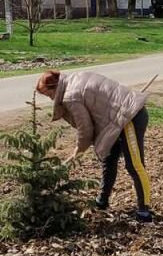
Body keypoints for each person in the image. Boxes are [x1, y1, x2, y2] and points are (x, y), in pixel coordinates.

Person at [36, 70, 153, 222]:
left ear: (54, 86)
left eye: (48, 94)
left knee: (134, 165)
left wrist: (79, 150)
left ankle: (144, 211)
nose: (50, 98)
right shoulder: (74, 77)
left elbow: (85, 129)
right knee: (108, 160)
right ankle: (101, 202)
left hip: (129, 117)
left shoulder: (70, 96)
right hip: (114, 121)